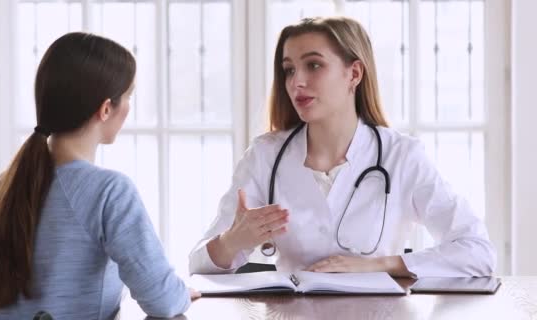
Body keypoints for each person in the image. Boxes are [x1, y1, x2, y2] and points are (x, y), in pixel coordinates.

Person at [188, 17, 495, 278]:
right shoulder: (264, 156)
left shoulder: (401, 156)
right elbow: (198, 267)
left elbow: (477, 252)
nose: (297, 82)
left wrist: (380, 266)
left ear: (354, 74)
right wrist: (231, 242)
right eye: (289, 69)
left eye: (314, 65)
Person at [0, 32, 197, 319]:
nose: (129, 107)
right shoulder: (109, 192)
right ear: (106, 109)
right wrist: (178, 293)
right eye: (128, 96)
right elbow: (164, 301)